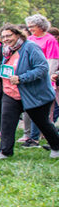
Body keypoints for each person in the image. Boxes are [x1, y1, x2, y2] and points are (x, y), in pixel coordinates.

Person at [0, 24, 59, 160]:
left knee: (42, 122)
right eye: (3, 37)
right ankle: (5, 151)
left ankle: (56, 146)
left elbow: (42, 68)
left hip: (33, 94)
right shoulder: (7, 50)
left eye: (9, 35)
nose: (6, 39)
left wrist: (22, 78)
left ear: (17, 35)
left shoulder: (30, 47)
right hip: (11, 93)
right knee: (7, 122)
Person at [22, 14, 59, 147]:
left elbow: (52, 61)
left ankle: (45, 139)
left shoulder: (50, 40)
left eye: (33, 26)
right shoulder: (29, 39)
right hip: (30, 78)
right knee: (32, 109)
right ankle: (32, 137)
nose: (30, 29)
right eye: (29, 26)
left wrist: (47, 78)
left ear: (41, 26)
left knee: (44, 112)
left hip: (45, 78)